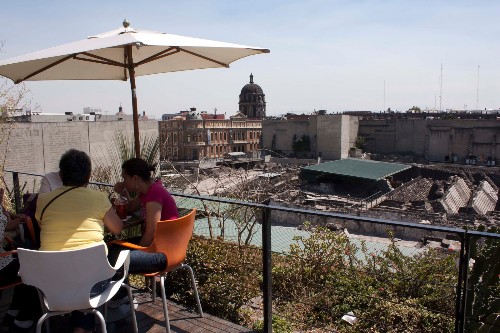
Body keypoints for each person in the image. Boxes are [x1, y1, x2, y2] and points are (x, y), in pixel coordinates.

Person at [34, 149, 123, 333]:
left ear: (61, 174)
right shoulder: (98, 198)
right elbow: (118, 228)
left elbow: (43, 225)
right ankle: (81, 326)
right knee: (89, 274)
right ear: (89, 176)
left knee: (78, 275)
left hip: (52, 286)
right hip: (91, 285)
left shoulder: (44, 201)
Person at [109, 157, 178, 273]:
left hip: (164, 253)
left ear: (135, 178)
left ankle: (121, 291)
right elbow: (130, 207)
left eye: (125, 178)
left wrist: (137, 249)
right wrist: (122, 191)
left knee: (115, 258)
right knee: (113, 249)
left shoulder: (154, 194)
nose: (123, 182)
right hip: (164, 246)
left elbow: (151, 232)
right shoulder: (147, 192)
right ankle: (121, 290)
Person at [0, 188, 40, 332]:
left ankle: (14, 311)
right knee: (34, 265)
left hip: (5, 258)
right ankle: (25, 318)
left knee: (25, 257)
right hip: (1, 266)